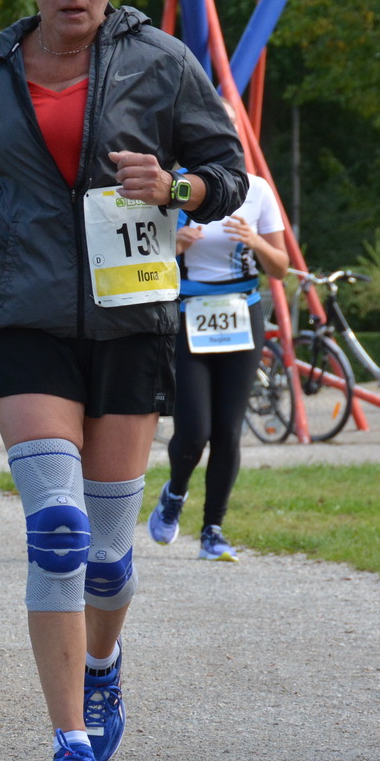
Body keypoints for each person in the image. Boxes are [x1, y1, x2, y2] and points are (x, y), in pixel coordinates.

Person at [0, 0, 246, 761]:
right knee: (54, 530)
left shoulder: (162, 62)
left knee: (107, 554)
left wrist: (176, 183)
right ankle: (69, 754)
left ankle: (103, 667)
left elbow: (228, 174)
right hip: (21, 316)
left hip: (133, 323)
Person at [148, 175, 288, 561]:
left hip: (241, 314)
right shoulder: (171, 185)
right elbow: (142, 260)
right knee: (194, 432)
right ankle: (174, 493)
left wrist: (256, 241)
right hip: (187, 315)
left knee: (228, 430)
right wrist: (175, 245)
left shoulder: (258, 190)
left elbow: (280, 267)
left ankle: (213, 530)